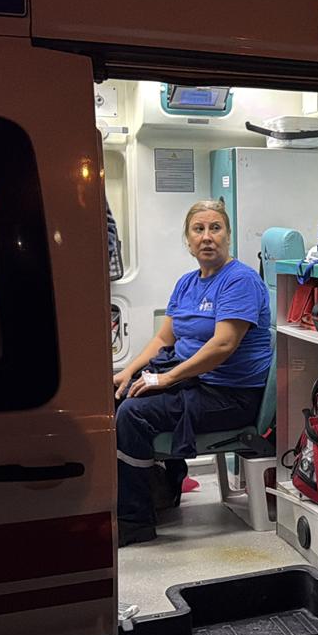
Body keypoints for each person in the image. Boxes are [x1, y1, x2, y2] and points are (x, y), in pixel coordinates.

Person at [114, 200, 272, 546]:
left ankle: (134, 521)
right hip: (195, 383)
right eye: (198, 229)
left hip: (231, 395)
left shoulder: (240, 281)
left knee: (132, 415)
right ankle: (163, 488)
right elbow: (163, 339)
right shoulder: (187, 283)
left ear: (228, 235)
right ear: (188, 240)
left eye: (215, 228)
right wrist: (129, 372)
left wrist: (166, 379)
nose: (207, 237)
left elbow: (223, 345)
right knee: (116, 397)